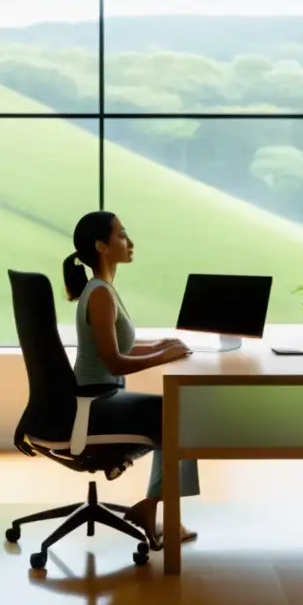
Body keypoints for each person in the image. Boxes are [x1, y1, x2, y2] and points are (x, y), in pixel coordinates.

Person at [63, 210, 199, 549]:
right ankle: (155, 511)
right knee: (175, 415)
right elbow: (114, 362)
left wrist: (156, 346)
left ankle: (156, 510)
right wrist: (162, 357)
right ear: (101, 246)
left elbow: (116, 347)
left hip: (100, 395)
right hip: (94, 403)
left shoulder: (103, 289)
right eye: (122, 234)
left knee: (173, 413)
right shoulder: (99, 294)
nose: (130, 241)